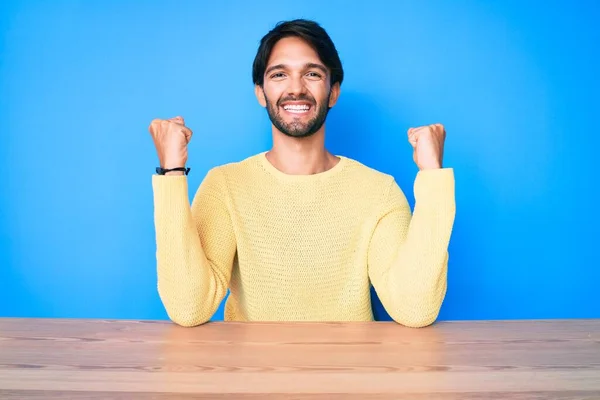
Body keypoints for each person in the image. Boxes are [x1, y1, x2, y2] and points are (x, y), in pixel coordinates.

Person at [148, 19, 456, 328]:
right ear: (260, 92)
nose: (296, 89)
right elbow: (189, 308)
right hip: (251, 373)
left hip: (352, 372)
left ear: (333, 92)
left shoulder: (379, 192)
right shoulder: (225, 186)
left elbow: (415, 308)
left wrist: (433, 175)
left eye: (312, 74)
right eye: (280, 75)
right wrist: (172, 171)